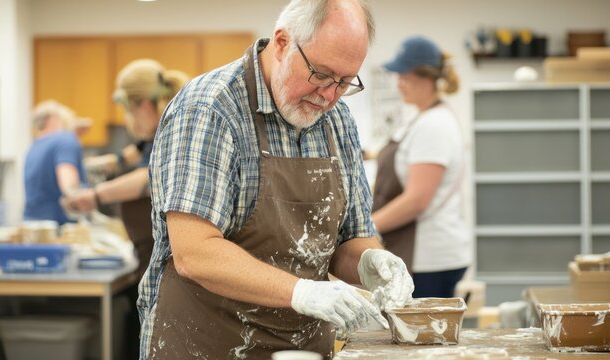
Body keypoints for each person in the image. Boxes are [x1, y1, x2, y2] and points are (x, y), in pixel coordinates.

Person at [139, 1, 415, 359]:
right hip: (207, 344)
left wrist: (370, 262)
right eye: (321, 74)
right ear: (282, 43)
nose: (329, 96)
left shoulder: (338, 121)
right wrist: (302, 292)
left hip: (303, 350)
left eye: (345, 82)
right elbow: (194, 252)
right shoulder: (210, 108)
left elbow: (350, 239)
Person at [62, 59, 189, 360]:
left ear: (144, 104)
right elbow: (134, 153)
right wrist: (106, 164)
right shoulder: (154, 132)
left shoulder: (175, 128)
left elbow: (150, 175)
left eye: (128, 111)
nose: (128, 119)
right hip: (149, 259)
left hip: (171, 267)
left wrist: (96, 195)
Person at [371, 35, 472, 299]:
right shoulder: (423, 119)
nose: (399, 83)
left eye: (404, 76)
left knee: (423, 335)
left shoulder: (434, 125)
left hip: (430, 260)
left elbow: (417, 200)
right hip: (421, 253)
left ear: (425, 78)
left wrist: (367, 228)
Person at [23, 100, 88, 225]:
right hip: (60, 229)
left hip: (33, 227)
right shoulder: (65, 139)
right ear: (52, 120)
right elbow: (69, 188)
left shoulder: (34, 147)